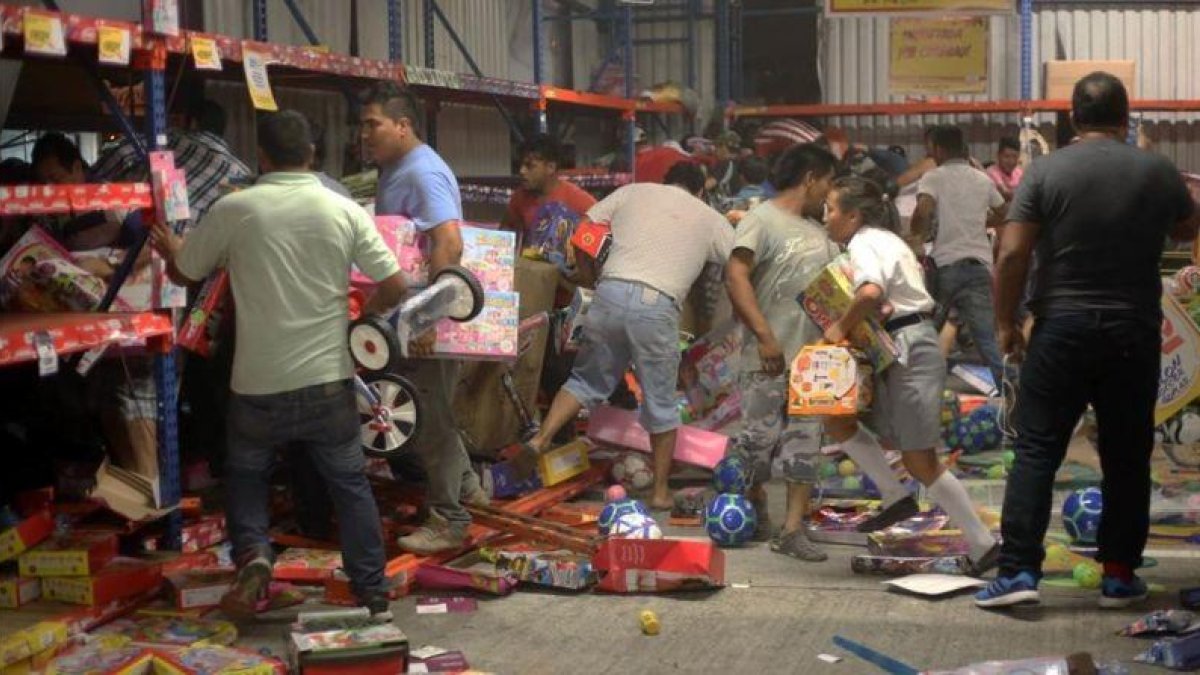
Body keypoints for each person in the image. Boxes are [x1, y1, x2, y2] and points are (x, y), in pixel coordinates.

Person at [150, 110, 405, 619]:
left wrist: (176, 248)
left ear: (261, 157)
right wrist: (362, 317)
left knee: (246, 476)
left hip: (256, 383)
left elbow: (184, 273)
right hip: (327, 380)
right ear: (312, 153)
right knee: (349, 484)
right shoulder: (343, 208)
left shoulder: (235, 208)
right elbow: (396, 284)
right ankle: (372, 592)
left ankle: (256, 559)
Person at [977, 73, 1200, 609]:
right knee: (1127, 456)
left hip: (1063, 327)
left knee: (1036, 449)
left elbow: (1011, 255)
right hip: (1134, 331)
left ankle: (1018, 575)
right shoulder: (1157, 170)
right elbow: (1191, 230)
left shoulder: (1045, 171)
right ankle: (1119, 576)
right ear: (1126, 118)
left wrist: (1006, 323)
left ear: (1073, 118)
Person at [524, 162, 734, 510]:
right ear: (700, 190)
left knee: (585, 381)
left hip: (610, 293)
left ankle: (540, 439)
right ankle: (661, 491)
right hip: (656, 305)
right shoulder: (710, 216)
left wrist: (591, 277)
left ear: (665, 181)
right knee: (661, 402)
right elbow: (738, 262)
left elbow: (584, 230)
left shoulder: (633, 192)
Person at [821, 175, 999, 576]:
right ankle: (894, 495)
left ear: (853, 215)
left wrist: (838, 329)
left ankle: (983, 543)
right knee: (836, 418)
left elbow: (868, 293)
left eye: (831, 209)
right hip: (892, 348)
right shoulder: (882, 242)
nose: (826, 217)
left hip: (909, 349)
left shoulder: (867, 242)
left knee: (920, 460)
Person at [359, 84, 486, 554]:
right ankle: (469, 488)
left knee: (428, 417)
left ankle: (448, 519)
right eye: (363, 125)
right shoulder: (397, 169)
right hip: (406, 314)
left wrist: (425, 319)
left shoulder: (423, 171)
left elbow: (448, 244)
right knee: (431, 413)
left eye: (373, 124)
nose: (365, 134)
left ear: (402, 125)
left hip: (422, 318)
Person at [724, 144, 840, 560]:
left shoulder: (821, 235)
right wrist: (765, 336)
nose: (828, 193)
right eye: (827, 182)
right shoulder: (761, 220)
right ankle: (753, 504)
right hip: (767, 358)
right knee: (758, 442)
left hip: (813, 362)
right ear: (811, 177)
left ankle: (792, 529)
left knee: (805, 444)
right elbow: (736, 276)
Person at [910, 125, 1007, 387]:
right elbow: (1003, 212)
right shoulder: (982, 179)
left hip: (946, 268)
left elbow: (923, 211)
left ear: (939, 149)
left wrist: (917, 234)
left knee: (927, 331)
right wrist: (977, 219)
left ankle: (918, 385)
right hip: (978, 268)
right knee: (987, 338)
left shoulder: (934, 177)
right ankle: (1011, 393)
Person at [93, 98, 252, 227]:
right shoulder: (242, 174)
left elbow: (121, 154)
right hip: (192, 253)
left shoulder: (171, 140)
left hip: (146, 232)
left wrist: (92, 180)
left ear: (193, 123)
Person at [501, 133, 596, 260]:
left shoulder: (578, 199)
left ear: (551, 167)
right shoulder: (519, 197)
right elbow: (504, 232)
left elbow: (603, 236)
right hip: (531, 269)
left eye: (530, 166)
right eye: (521, 165)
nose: (522, 171)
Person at [985, 136, 1023, 202]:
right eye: (1007, 156)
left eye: (1015, 157)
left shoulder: (1019, 172)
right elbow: (1005, 193)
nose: (1011, 161)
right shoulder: (991, 172)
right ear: (998, 155)